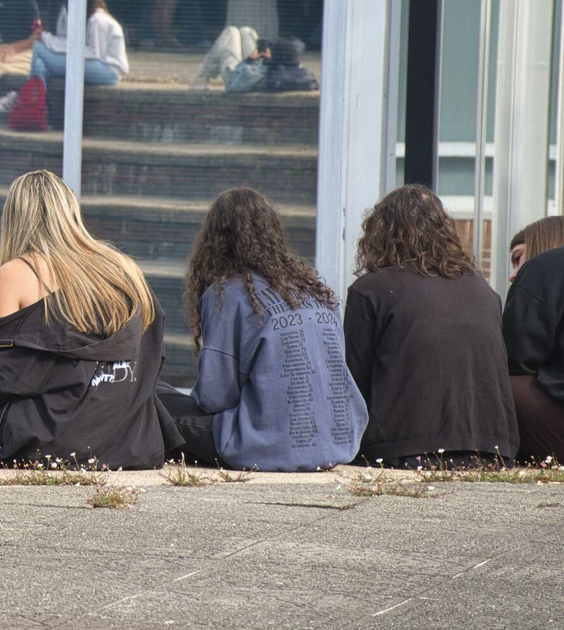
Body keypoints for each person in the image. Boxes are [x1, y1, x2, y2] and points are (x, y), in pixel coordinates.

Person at [0, 170, 179, 469]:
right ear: (70, 212)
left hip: (53, 440)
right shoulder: (123, 268)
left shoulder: (16, 273)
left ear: (15, 219)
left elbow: (1, 381)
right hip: (129, 440)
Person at [161, 189, 366, 471]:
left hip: (263, 445)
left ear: (214, 241)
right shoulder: (314, 288)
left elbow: (214, 397)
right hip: (340, 442)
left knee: (154, 397)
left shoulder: (226, 294)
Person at [343, 186, 518, 467]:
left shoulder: (370, 290)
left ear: (379, 235)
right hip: (492, 449)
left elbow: (352, 384)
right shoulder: (484, 292)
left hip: (403, 449)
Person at [503, 217, 564, 462]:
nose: (512, 275)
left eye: (518, 259)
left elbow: (515, 358)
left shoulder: (544, 268)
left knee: (486, 383)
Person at [30, 0, 128, 88]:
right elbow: (73, 44)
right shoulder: (92, 18)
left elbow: (94, 53)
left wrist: (64, 51)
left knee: (38, 47)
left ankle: (25, 97)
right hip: (97, 66)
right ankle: (38, 101)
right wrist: (47, 39)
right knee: (39, 64)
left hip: (108, 71)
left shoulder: (97, 20)